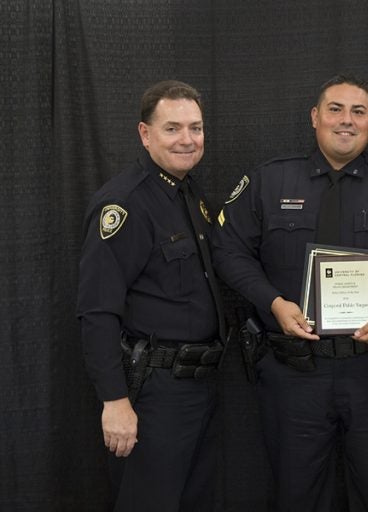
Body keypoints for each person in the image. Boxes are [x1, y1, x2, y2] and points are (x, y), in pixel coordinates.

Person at [212, 74, 368, 511]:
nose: (346, 121)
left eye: (358, 112)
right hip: (295, 375)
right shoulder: (270, 182)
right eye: (335, 109)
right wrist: (274, 303)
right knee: (296, 495)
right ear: (315, 117)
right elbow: (228, 251)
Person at [76, 80, 225, 511]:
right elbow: (96, 310)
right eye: (173, 128)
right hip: (152, 392)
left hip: (199, 386)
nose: (187, 140)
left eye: (195, 128)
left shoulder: (188, 193)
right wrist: (114, 400)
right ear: (145, 134)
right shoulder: (124, 203)